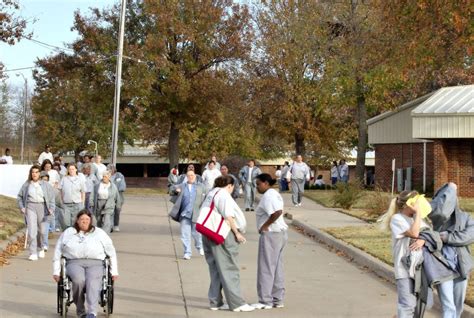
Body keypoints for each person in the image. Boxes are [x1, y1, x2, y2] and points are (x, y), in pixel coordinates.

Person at [201, 175, 254, 312]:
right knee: (229, 267)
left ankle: (215, 302)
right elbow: (228, 216)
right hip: (222, 235)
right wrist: (237, 233)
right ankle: (237, 303)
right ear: (229, 185)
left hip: (208, 233)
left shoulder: (211, 193)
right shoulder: (224, 195)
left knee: (216, 269)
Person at [53, 209, 119, 318]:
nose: (84, 221)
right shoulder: (69, 232)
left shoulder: (99, 233)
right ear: (77, 221)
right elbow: (57, 252)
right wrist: (56, 271)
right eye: (82, 219)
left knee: (92, 281)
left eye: (87, 219)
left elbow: (111, 251)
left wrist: (114, 271)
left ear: (91, 221)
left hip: (96, 263)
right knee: (79, 280)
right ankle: (81, 311)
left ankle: (92, 312)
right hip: (74, 262)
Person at [429, 182, 474, 318]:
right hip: (442, 268)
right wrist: (450, 188)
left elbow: (469, 236)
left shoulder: (466, 218)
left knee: (458, 305)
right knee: (449, 306)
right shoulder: (434, 218)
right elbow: (442, 211)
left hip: (461, 268)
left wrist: (448, 237)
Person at [379, 190, 426, 317]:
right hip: (404, 269)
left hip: (418, 268)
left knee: (419, 304)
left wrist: (423, 239)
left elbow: (428, 234)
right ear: (408, 204)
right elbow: (414, 233)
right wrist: (418, 213)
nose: (419, 205)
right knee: (407, 304)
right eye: (416, 203)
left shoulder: (417, 219)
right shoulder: (397, 219)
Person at [252, 173, 288, 310]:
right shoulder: (275, 193)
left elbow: (277, 212)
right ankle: (277, 299)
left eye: (258, 184)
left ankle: (265, 300)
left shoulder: (268, 196)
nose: (257, 187)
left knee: (266, 267)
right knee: (277, 267)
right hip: (280, 234)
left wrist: (265, 225)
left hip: (271, 234)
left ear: (266, 183)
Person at [17, 165, 56, 261]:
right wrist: (22, 207)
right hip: (30, 207)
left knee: (42, 231)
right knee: (32, 230)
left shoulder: (45, 185)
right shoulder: (26, 184)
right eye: (33, 172)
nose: (34, 174)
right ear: (31, 173)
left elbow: (51, 198)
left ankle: (41, 247)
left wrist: (51, 208)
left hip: (42, 207)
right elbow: (19, 197)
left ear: (39, 173)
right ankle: (33, 252)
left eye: (36, 172)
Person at [169, 170, 206, 259]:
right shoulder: (182, 186)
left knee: (196, 233)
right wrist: (175, 190)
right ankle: (187, 252)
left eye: (192, 175)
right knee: (185, 234)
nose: (191, 177)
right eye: (189, 175)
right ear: (186, 177)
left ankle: (199, 246)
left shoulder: (201, 186)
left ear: (195, 176)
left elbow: (207, 196)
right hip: (184, 214)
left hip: (196, 214)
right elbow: (171, 189)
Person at [59, 163, 86, 229]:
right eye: (70, 169)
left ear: (76, 169)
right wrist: (61, 201)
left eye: (73, 169)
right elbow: (60, 190)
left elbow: (83, 192)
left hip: (77, 203)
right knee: (66, 222)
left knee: (76, 222)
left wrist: (82, 203)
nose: (71, 170)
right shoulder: (64, 179)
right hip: (66, 204)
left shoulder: (80, 179)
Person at [108, 164, 126, 232]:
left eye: (112, 168)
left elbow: (122, 185)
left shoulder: (119, 175)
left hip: (118, 196)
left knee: (117, 211)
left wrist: (118, 190)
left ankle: (116, 225)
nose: (110, 170)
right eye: (109, 169)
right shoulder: (106, 175)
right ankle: (110, 225)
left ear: (114, 169)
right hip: (109, 196)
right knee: (110, 211)